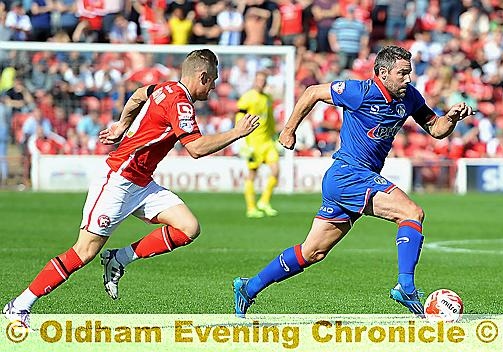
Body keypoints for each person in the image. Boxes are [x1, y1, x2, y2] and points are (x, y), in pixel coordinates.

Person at [3, 49, 260, 327]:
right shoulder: (180, 103)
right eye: (213, 81)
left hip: (142, 182)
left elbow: (139, 94)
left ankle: (119, 258)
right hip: (118, 181)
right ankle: (19, 306)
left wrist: (121, 127)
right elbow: (195, 149)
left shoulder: (165, 88)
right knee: (84, 252)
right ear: (203, 76)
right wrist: (237, 133)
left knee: (188, 227)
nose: (213, 88)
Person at [233, 45, 474, 317]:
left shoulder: (410, 97)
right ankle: (406, 286)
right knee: (411, 212)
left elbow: (436, 129)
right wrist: (288, 131)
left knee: (312, 252)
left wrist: (451, 118)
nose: (408, 79)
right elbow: (312, 92)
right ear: (383, 73)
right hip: (349, 173)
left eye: (410, 73)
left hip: (352, 180)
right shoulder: (359, 92)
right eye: (402, 73)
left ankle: (248, 287)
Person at [236, 71, 280, 218]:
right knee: (252, 174)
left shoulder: (268, 98)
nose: (261, 83)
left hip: (267, 142)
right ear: (255, 81)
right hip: (253, 143)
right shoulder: (248, 97)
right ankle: (251, 208)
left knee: (275, 170)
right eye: (259, 80)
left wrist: (274, 136)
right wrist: (242, 141)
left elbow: (271, 119)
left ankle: (264, 202)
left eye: (263, 80)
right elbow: (239, 116)